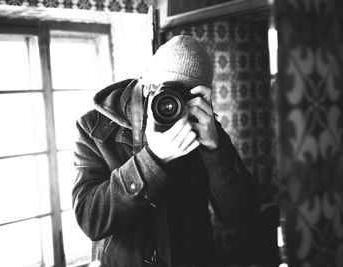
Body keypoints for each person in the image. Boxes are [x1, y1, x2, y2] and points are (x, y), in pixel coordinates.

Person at [72, 35, 261, 267]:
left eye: (187, 96)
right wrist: (152, 160)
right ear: (145, 84)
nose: (173, 105)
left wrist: (215, 147)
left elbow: (241, 215)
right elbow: (91, 220)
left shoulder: (202, 126)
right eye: (165, 92)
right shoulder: (94, 128)